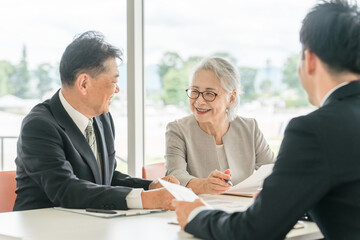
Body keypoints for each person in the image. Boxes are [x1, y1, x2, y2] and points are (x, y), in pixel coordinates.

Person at [173, 0, 360, 239]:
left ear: (310, 60)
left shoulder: (314, 130)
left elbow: (254, 231)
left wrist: (195, 215)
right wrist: (286, 200)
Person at [14, 31, 178, 211]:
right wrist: (146, 200)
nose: (117, 90)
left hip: (90, 225)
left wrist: (150, 186)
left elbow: (106, 178)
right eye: (114, 81)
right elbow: (65, 189)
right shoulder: (39, 126)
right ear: (84, 83)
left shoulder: (102, 118)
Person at [165, 57, 275, 194]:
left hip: (243, 210)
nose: (199, 101)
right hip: (200, 210)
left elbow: (274, 170)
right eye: (195, 91)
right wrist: (205, 185)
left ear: (231, 98)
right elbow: (175, 177)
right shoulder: (177, 130)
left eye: (209, 94)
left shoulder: (250, 128)